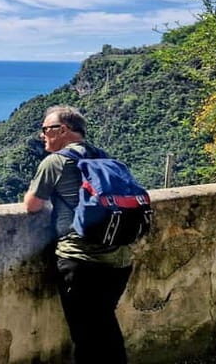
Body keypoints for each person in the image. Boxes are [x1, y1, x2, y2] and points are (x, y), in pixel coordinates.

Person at [23, 105, 133, 364]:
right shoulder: (105, 158)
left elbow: (32, 205)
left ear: (63, 130)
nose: (42, 135)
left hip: (80, 260)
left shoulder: (56, 162)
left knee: (86, 335)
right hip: (119, 258)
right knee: (104, 325)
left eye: (46, 129)